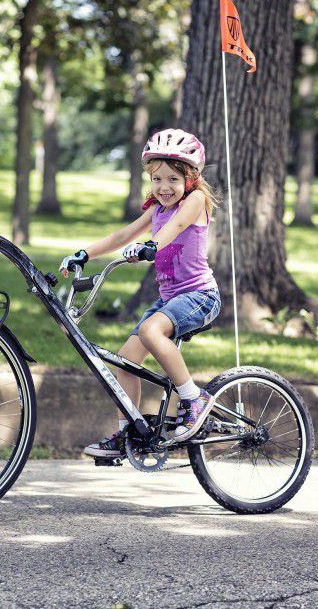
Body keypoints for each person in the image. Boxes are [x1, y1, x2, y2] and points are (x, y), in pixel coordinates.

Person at [59, 129, 222, 458]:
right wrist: (85, 254)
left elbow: (175, 229)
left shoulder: (195, 201)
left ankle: (193, 397)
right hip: (170, 300)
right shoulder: (156, 210)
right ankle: (127, 434)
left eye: (173, 179)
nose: (164, 187)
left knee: (150, 330)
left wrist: (151, 246)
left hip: (200, 295)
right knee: (126, 362)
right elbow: (123, 234)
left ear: (190, 178)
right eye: (157, 179)